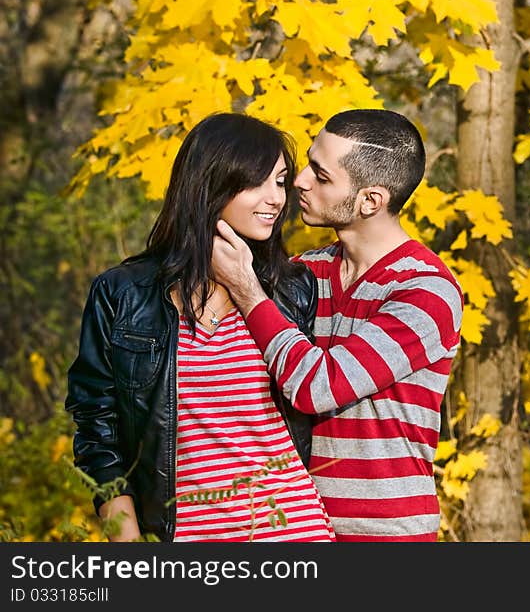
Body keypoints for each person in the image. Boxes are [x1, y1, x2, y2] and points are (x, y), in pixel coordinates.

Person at [65, 112, 335, 543]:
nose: (275, 198)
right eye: (256, 183)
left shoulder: (291, 289)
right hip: (185, 535)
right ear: (211, 184)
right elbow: (98, 427)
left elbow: (322, 392)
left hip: (293, 531)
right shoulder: (123, 295)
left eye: (280, 181)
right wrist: (126, 541)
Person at [212, 108, 464, 542]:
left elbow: (319, 386)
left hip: (384, 533)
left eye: (321, 175)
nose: (299, 181)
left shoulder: (427, 290)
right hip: (290, 526)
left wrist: (248, 290)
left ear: (371, 200)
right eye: (308, 163)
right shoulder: (305, 273)